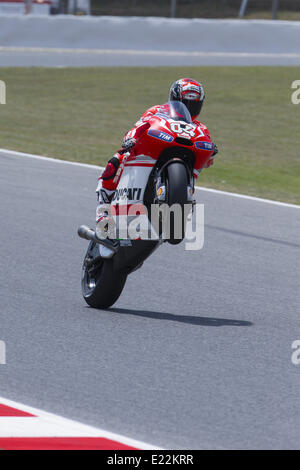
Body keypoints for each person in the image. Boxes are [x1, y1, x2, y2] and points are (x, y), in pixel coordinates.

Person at [96, 78, 218, 225]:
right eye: (184, 103)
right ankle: (103, 211)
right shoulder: (157, 111)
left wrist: (211, 152)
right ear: (174, 98)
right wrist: (131, 138)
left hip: (182, 160)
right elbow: (141, 126)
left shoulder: (201, 128)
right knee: (119, 158)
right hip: (153, 150)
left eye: (194, 104)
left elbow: (207, 161)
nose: (189, 107)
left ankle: (182, 199)